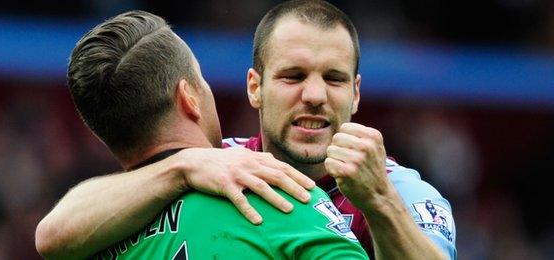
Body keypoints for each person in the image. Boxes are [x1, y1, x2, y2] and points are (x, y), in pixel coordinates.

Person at [36, 1, 456, 259]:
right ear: (255, 87)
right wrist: (180, 166)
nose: (314, 94)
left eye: (334, 78)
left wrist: (379, 203)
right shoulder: (217, 162)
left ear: (356, 93)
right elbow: (55, 233)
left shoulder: (401, 191)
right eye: (293, 76)